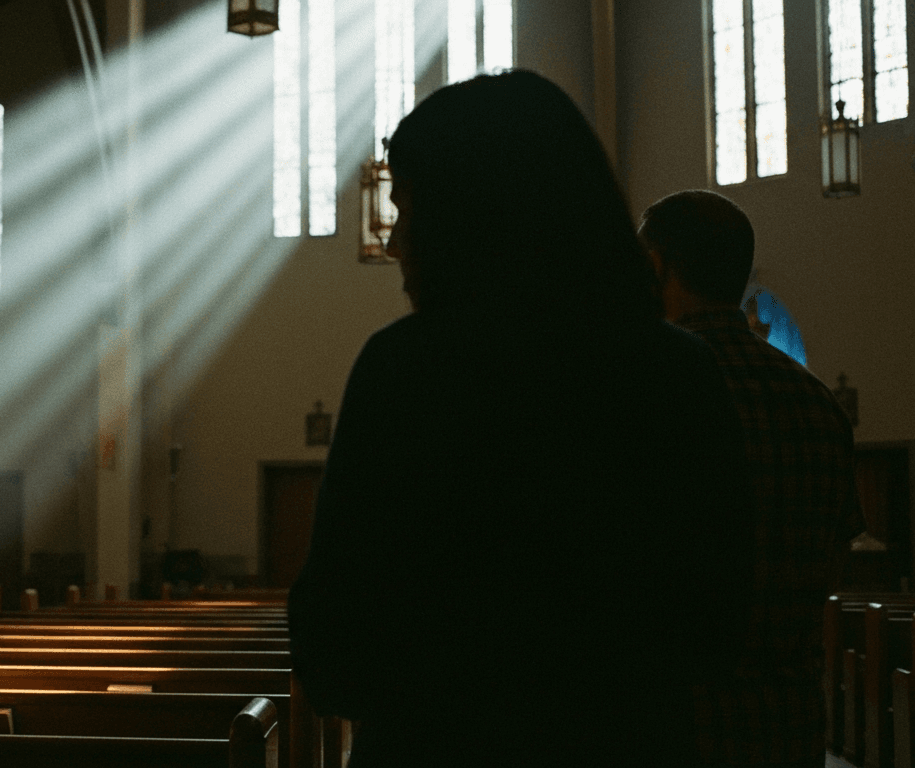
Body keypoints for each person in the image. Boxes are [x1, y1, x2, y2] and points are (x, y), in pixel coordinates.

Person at [288, 70, 755, 767]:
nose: (394, 244)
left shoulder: (407, 371)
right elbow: (720, 631)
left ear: (468, 214)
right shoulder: (679, 372)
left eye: (409, 209)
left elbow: (333, 650)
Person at [639, 189, 864, 768]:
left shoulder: (649, 393)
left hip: (681, 729)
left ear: (658, 265)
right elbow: (835, 563)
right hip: (788, 728)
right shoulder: (820, 407)